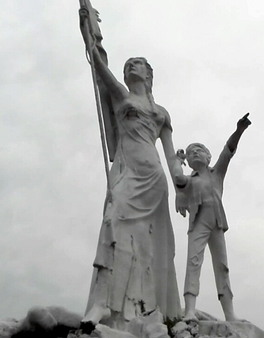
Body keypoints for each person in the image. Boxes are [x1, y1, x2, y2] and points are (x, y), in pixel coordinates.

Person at [78, 5, 183, 330]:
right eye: (127, 65)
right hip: (127, 173)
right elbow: (97, 62)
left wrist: (181, 183)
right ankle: (101, 304)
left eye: (136, 64)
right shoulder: (120, 95)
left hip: (154, 179)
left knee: (148, 247)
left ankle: (148, 310)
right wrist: (87, 28)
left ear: (149, 75)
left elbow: (169, 156)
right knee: (112, 224)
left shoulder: (162, 112)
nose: (130, 67)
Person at [175, 113, 252, 322]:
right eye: (191, 153)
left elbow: (228, 152)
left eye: (199, 150)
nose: (195, 153)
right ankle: (190, 309)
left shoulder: (216, 172)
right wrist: (178, 195)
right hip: (198, 223)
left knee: (222, 266)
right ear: (189, 162)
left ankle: (229, 313)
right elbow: (178, 184)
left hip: (216, 222)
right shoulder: (189, 181)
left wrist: (239, 131)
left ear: (208, 156)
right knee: (193, 262)